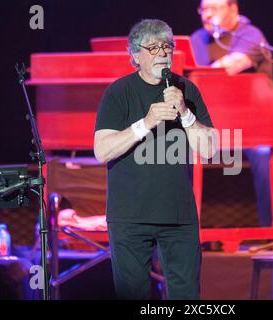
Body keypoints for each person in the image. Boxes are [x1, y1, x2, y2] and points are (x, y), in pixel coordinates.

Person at [94, 19, 216, 300]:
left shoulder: (187, 90)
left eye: (167, 46)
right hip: (130, 217)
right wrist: (145, 123)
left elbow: (209, 149)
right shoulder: (118, 92)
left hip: (179, 215)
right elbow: (102, 150)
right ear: (135, 56)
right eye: (153, 47)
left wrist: (186, 113)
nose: (163, 53)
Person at [191, 0, 273, 227]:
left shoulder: (251, 35)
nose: (207, 15)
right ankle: (179, 234)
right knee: (167, 151)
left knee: (263, 153)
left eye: (214, 9)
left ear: (233, 9)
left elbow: (228, 66)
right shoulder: (197, 38)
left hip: (253, 125)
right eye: (203, 9)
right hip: (211, 122)